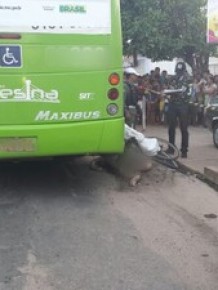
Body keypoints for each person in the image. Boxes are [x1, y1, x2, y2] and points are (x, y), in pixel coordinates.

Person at [166, 62, 190, 158]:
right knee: (171, 127)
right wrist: (168, 92)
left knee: (184, 128)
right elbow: (169, 89)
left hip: (183, 105)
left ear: (184, 71)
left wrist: (177, 92)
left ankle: (184, 150)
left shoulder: (188, 79)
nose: (179, 73)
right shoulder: (172, 78)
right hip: (172, 105)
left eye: (180, 71)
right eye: (178, 71)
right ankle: (171, 148)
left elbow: (187, 92)